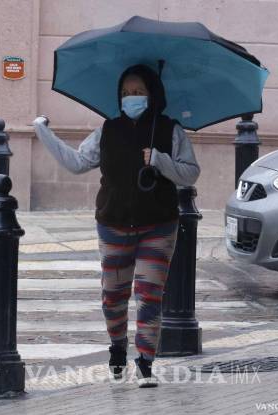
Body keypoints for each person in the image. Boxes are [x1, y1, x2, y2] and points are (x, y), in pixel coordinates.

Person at [33, 64, 200, 388]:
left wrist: (160, 160)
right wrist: (43, 132)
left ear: (152, 95)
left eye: (138, 92)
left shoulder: (170, 130)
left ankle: (145, 363)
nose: (131, 98)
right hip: (114, 223)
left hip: (158, 225)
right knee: (114, 296)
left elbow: (190, 173)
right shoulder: (108, 130)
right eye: (125, 93)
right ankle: (118, 348)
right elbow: (78, 163)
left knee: (149, 296)